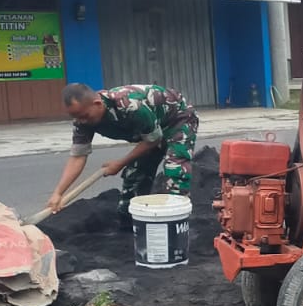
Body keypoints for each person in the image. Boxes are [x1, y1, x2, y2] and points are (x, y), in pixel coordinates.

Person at [47, 83, 199, 219]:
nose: (82, 121)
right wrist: (58, 193)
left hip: (176, 119)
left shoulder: (130, 105)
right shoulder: (82, 120)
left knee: (175, 171)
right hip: (149, 132)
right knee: (134, 177)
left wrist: (120, 163)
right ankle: (133, 224)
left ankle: (176, 223)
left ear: (97, 103)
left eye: (84, 116)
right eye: (76, 117)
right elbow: (78, 157)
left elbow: (153, 140)